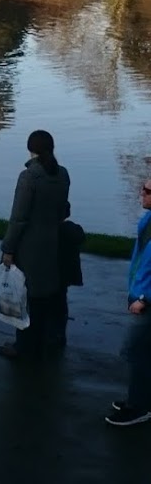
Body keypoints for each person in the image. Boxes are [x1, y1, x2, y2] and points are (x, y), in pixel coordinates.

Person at [0, 129, 72, 360]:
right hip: (53, 241)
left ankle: (24, 346)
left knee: (25, 296)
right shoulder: (62, 174)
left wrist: (8, 248)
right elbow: (63, 210)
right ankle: (48, 338)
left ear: (30, 149)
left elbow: (19, 217)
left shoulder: (29, 177)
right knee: (48, 294)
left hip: (29, 245)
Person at [106, 178, 151, 426]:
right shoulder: (148, 220)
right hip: (139, 291)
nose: (141, 193)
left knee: (136, 351)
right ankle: (140, 399)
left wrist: (144, 298)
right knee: (142, 351)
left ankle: (139, 407)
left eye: (147, 190)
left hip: (147, 300)